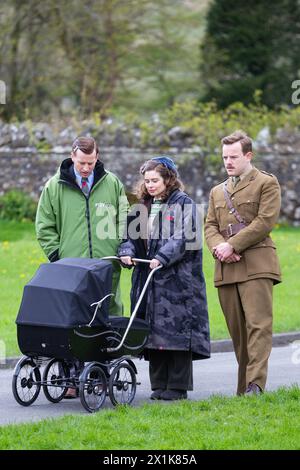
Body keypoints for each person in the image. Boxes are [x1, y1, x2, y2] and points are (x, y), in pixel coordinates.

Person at [36, 136, 128, 396]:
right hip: (70, 268)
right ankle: (70, 380)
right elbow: (44, 225)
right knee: (70, 320)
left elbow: (125, 218)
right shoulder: (54, 186)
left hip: (105, 266)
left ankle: (100, 375)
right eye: (81, 162)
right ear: (72, 156)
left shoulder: (112, 183)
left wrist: (122, 247)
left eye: (90, 162)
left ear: (97, 157)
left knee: (104, 318)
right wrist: (57, 257)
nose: (86, 168)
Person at [119, 156, 210, 401]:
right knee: (153, 332)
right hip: (148, 279)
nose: (150, 185)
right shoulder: (141, 206)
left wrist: (162, 256)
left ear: (168, 179)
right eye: (147, 180)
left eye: (155, 180)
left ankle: (177, 387)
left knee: (176, 332)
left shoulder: (184, 204)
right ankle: (159, 385)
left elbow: (184, 238)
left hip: (178, 282)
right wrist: (127, 252)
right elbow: (128, 236)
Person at [205, 130, 281, 396]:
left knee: (258, 326)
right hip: (227, 267)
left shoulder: (266, 183)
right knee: (237, 332)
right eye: (225, 157)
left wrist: (232, 245)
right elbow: (210, 225)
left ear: (248, 155)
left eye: (234, 156)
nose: (228, 161)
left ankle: (256, 385)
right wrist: (219, 247)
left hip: (258, 263)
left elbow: (265, 221)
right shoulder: (218, 191)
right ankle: (243, 388)